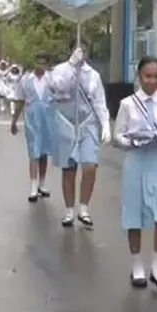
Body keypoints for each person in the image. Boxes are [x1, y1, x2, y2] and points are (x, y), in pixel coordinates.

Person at [113, 55, 157, 290]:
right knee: (135, 214)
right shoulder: (127, 104)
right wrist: (133, 141)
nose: (152, 81)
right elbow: (118, 135)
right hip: (136, 161)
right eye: (148, 76)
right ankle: (136, 266)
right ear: (139, 77)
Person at [49, 45, 110, 227]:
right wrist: (71, 65)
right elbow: (58, 87)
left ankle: (84, 208)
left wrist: (105, 124)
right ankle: (69, 211)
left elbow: (99, 101)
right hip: (66, 122)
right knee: (69, 169)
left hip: (87, 122)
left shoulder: (93, 75)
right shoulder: (60, 70)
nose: (81, 53)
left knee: (90, 166)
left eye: (84, 50)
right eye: (78, 49)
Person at [10, 53, 54, 202]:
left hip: (47, 119)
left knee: (44, 152)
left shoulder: (52, 79)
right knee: (34, 151)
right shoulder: (25, 80)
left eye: (43, 63)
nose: (40, 66)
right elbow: (20, 100)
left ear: (47, 65)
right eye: (38, 62)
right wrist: (14, 121)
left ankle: (42, 183)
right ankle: (33, 186)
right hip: (32, 118)